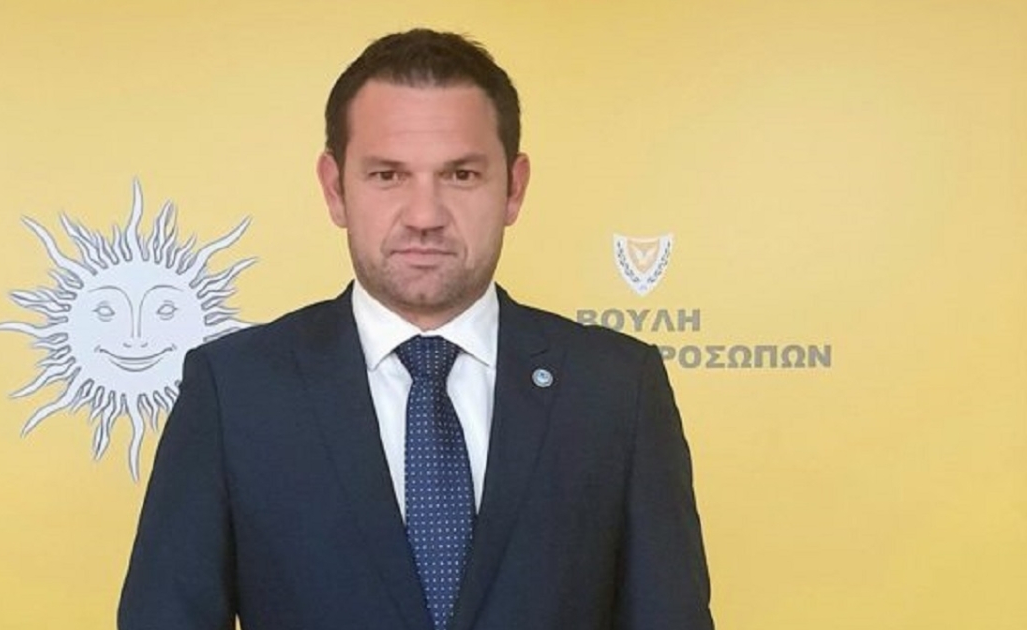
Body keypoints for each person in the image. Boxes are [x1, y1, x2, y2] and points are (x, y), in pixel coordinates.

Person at [118, 28, 713, 630]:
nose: (425, 216)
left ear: (514, 188)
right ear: (335, 189)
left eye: (461, 175)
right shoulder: (234, 390)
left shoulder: (617, 389)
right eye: (388, 176)